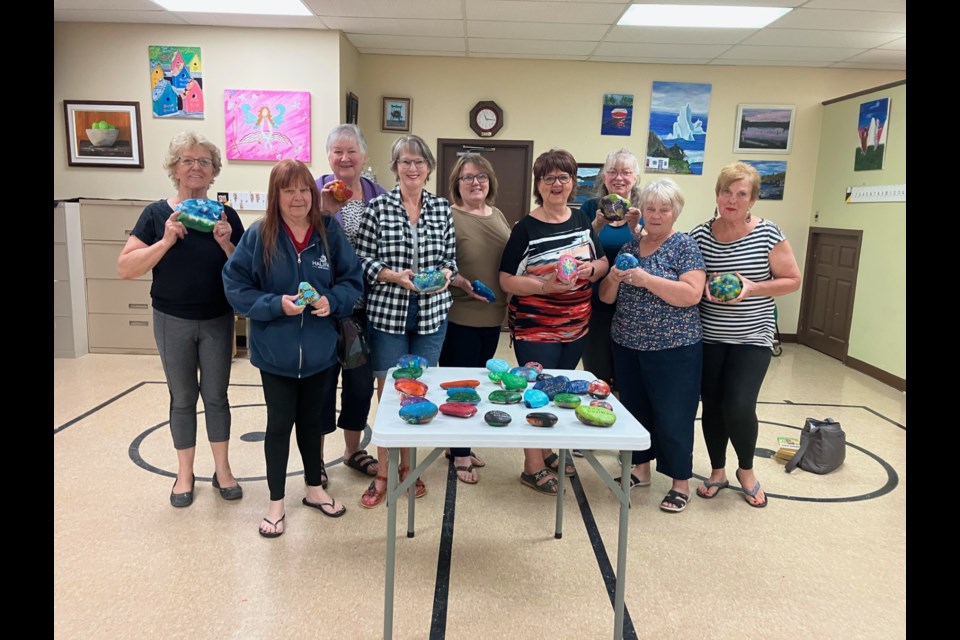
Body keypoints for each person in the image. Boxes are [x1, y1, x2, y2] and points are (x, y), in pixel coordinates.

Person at [222, 159, 363, 537]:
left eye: (304, 189)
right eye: (289, 190)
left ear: (313, 194)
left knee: (313, 424)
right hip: (276, 355)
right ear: (276, 195)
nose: (298, 197)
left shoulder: (328, 232)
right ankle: (275, 504)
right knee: (279, 426)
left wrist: (332, 301)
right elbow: (235, 286)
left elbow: (353, 282)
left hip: (319, 353)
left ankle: (314, 490)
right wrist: (275, 305)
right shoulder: (260, 234)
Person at [117, 131, 244, 508]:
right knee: (183, 397)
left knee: (217, 396)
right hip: (172, 319)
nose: (196, 167)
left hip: (218, 318)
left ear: (213, 171)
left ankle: (223, 470)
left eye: (204, 161)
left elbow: (246, 271)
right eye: (187, 160)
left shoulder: (226, 214)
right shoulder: (158, 214)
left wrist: (225, 242)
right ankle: (184, 473)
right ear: (174, 168)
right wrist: (166, 241)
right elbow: (126, 268)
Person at [353, 134, 458, 507]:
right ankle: (383, 472)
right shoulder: (378, 208)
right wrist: (393, 275)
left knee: (419, 392)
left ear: (429, 168)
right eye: (404, 162)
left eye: (418, 162)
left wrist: (445, 276)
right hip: (388, 314)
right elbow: (361, 260)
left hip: (431, 315)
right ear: (395, 167)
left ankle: (408, 470)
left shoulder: (442, 209)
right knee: (389, 395)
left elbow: (450, 259)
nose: (411, 168)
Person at [690, 162, 802, 508]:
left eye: (742, 194)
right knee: (711, 406)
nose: (732, 200)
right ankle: (718, 470)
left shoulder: (769, 234)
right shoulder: (699, 235)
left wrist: (752, 288)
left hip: (752, 337)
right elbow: (691, 281)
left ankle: (746, 470)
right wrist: (700, 288)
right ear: (717, 194)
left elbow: (792, 279)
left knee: (738, 405)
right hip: (709, 337)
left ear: (753, 200)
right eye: (727, 192)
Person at [498, 149, 609, 496]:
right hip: (536, 328)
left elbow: (602, 262)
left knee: (561, 391)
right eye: (549, 178)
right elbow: (505, 279)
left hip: (576, 326)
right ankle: (532, 466)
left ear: (573, 183)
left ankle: (548, 452)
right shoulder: (525, 228)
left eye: (563, 177)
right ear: (539, 185)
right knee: (535, 393)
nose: (556, 184)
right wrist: (545, 286)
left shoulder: (581, 222)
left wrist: (591, 270)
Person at [599, 179, 705, 513]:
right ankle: (639, 469)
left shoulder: (684, 246)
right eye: (650, 208)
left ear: (676, 212)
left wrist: (646, 280)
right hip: (628, 345)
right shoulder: (630, 248)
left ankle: (679, 482)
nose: (656, 215)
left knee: (674, 415)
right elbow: (605, 298)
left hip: (674, 348)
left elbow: (691, 294)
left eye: (664, 209)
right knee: (635, 410)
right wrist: (613, 278)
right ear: (640, 211)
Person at [315, 124, 388, 483]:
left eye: (351, 151)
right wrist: (325, 209)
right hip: (322, 306)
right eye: (337, 151)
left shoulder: (378, 195)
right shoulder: (312, 192)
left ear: (364, 156)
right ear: (328, 156)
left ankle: (352, 449)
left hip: (365, 306)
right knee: (321, 383)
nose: (344, 158)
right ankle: (315, 459)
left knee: (359, 383)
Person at [437, 153, 511, 484]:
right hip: (460, 317)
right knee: (461, 387)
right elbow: (440, 264)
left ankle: (458, 446)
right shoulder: (448, 216)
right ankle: (460, 452)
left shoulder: (497, 215)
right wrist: (461, 282)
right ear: (457, 184)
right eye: (467, 177)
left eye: (481, 176)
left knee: (478, 383)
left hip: (493, 317)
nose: (475, 182)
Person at [580, 148, 643, 397]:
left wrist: (636, 227)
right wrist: (597, 224)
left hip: (633, 307)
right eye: (613, 172)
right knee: (597, 374)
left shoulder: (646, 209)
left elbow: (657, 249)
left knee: (628, 377)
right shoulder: (589, 207)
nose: (619, 177)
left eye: (626, 172)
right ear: (604, 177)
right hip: (594, 304)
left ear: (635, 177)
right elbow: (577, 248)